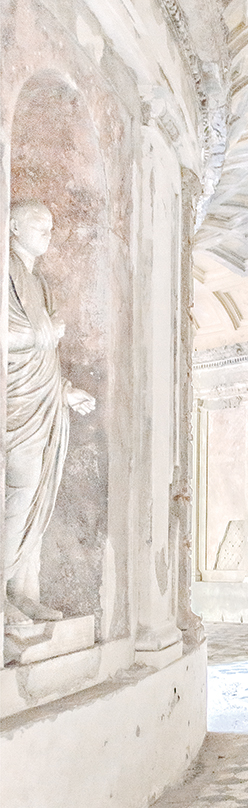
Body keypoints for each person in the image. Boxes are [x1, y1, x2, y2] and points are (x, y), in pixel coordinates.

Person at [5, 200, 95, 625]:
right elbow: (13, 339)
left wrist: (65, 391)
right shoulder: (5, 272)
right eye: (38, 223)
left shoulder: (39, 283)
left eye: (51, 225)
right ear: (13, 226)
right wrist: (38, 336)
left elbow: (46, 355)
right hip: (15, 403)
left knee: (37, 498)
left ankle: (22, 593)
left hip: (42, 399)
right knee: (18, 494)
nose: (48, 231)